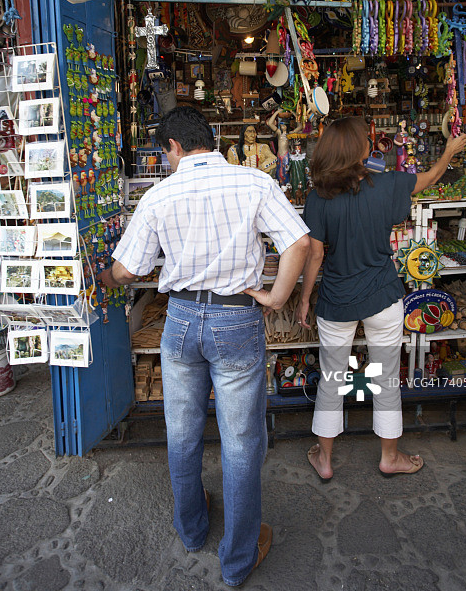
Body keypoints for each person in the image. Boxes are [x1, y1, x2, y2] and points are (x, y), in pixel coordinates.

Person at [98, 106, 309, 587]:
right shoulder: (253, 182)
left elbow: (128, 270)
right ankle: (237, 560)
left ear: (173, 147)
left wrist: (104, 278)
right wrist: (277, 298)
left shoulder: (159, 195)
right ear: (209, 140)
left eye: (165, 153)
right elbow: (298, 242)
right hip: (236, 318)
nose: (166, 160)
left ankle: (192, 529)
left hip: (181, 320)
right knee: (240, 442)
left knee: (182, 432)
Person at [295, 117, 466, 481]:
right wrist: (449, 151)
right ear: (359, 150)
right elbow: (431, 178)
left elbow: (315, 255)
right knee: (387, 378)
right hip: (382, 296)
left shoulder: (317, 198)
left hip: (336, 299)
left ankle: (324, 459)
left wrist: (304, 299)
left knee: (331, 378)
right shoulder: (388, 184)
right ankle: (389, 457)